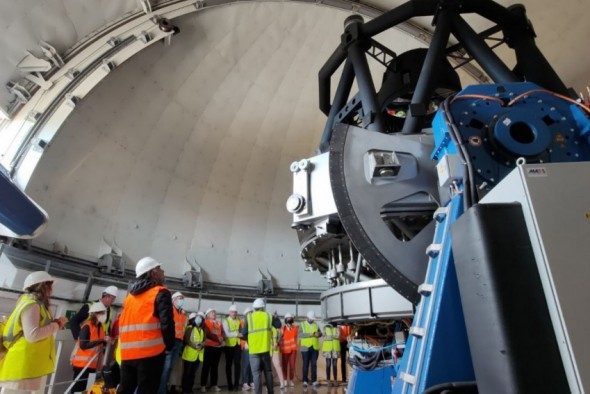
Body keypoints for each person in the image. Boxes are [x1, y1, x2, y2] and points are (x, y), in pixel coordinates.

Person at [0, 271, 68, 393]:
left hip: (29, 364)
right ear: (43, 286)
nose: (51, 290)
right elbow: (32, 335)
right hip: (23, 364)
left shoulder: (36, 304)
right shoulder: (31, 305)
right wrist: (57, 325)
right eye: (50, 285)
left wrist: (56, 323)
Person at [117, 257, 175, 394]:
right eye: (160, 269)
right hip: (151, 354)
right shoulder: (161, 292)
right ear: (153, 273)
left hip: (127, 354)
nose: (163, 271)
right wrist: (169, 345)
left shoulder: (129, 298)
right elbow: (167, 323)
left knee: (125, 390)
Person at [71, 302, 108, 392]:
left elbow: (101, 345)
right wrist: (100, 341)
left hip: (93, 365)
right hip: (82, 365)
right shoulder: (87, 326)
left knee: (88, 390)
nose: (104, 315)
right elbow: (83, 345)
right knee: (78, 389)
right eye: (102, 313)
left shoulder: (101, 327)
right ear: (95, 313)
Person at [241, 298, 273, 394]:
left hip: (254, 350)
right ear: (263, 307)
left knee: (256, 374)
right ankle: (270, 392)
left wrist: (250, 341)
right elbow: (278, 325)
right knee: (268, 372)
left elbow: (244, 333)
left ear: (254, 308)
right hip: (265, 349)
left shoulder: (249, 317)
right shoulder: (268, 316)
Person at [159, 291, 187, 394]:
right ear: (173, 300)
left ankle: (163, 388)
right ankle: (161, 391)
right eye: (179, 298)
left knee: (170, 368)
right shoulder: (169, 310)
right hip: (170, 341)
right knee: (166, 368)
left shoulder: (182, 313)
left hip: (178, 342)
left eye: (182, 299)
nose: (181, 300)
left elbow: (182, 328)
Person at [200, 308, 224, 392]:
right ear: (208, 315)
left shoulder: (219, 322)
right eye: (212, 313)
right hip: (209, 347)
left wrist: (222, 338)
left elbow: (223, 332)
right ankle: (203, 385)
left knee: (215, 367)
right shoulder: (205, 322)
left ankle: (214, 384)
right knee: (206, 366)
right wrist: (218, 339)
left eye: (214, 312)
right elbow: (208, 334)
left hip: (217, 347)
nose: (214, 314)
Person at [181, 312, 205, 394]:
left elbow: (204, 340)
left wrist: (201, 345)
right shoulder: (190, 328)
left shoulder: (201, 330)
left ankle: (190, 389)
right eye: (197, 318)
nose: (199, 320)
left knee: (193, 374)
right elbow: (187, 340)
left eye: (200, 318)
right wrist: (195, 346)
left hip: (198, 355)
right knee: (187, 373)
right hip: (189, 354)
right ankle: (185, 390)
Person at [299, 310, 321, 387]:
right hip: (305, 347)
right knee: (305, 364)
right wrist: (310, 334)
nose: (312, 320)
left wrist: (319, 334)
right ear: (307, 317)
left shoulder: (316, 324)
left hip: (314, 347)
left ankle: (314, 380)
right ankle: (305, 381)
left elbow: (320, 333)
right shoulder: (302, 324)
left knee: (314, 364)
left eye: (313, 319)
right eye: (311, 318)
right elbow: (300, 335)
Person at [222, 305, 242, 391]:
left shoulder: (239, 321)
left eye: (235, 312)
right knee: (228, 365)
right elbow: (227, 334)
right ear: (229, 312)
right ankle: (230, 384)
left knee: (237, 365)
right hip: (229, 346)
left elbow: (241, 331)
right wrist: (236, 334)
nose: (234, 313)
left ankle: (236, 384)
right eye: (232, 312)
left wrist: (239, 334)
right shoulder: (225, 321)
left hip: (237, 345)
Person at [279, 313, 297, 387]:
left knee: (292, 366)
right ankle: (285, 380)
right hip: (285, 350)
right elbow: (280, 337)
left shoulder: (295, 328)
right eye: (288, 318)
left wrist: (290, 327)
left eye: (290, 318)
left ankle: (291, 380)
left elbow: (294, 334)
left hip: (293, 350)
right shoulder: (282, 328)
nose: (289, 320)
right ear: (285, 320)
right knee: (284, 365)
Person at [321, 322, 340, 387]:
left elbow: (338, 336)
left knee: (335, 365)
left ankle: (335, 381)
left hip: (335, 348)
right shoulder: (325, 328)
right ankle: (328, 381)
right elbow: (324, 337)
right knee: (328, 365)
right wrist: (333, 337)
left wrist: (330, 337)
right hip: (327, 349)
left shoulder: (337, 327)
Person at [240, 308, 254, 392]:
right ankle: (245, 382)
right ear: (245, 315)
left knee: (252, 364)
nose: (250, 314)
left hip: (253, 345)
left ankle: (251, 381)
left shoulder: (253, 322)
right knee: (246, 364)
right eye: (249, 313)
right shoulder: (242, 323)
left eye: (251, 313)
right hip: (246, 345)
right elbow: (241, 334)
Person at [270, 319, 285, 389]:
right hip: (266, 349)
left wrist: (277, 344)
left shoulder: (279, 330)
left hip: (275, 349)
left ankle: (282, 382)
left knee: (278, 365)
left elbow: (280, 338)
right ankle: (269, 383)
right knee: (266, 368)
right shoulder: (268, 329)